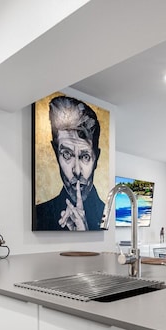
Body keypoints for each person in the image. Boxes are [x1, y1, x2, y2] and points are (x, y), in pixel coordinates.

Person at [34, 96, 105, 231]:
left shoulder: (108, 215)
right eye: (67, 154)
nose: (77, 171)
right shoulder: (39, 215)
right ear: (56, 154)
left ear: (96, 159)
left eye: (85, 156)